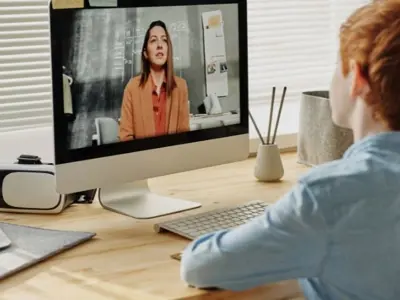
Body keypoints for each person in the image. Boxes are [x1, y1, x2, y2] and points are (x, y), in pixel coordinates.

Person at [180, 1, 400, 299]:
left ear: (358, 80)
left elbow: (200, 267)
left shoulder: (331, 195)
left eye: (338, 64)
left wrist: (271, 229)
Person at [119, 20, 190, 141]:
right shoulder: (132, 88)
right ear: (146, 53)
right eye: (153, 40)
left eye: (164, 40)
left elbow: (184, 136)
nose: (159, 45)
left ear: (168, 50)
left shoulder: (181, 87)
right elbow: (125, 138)